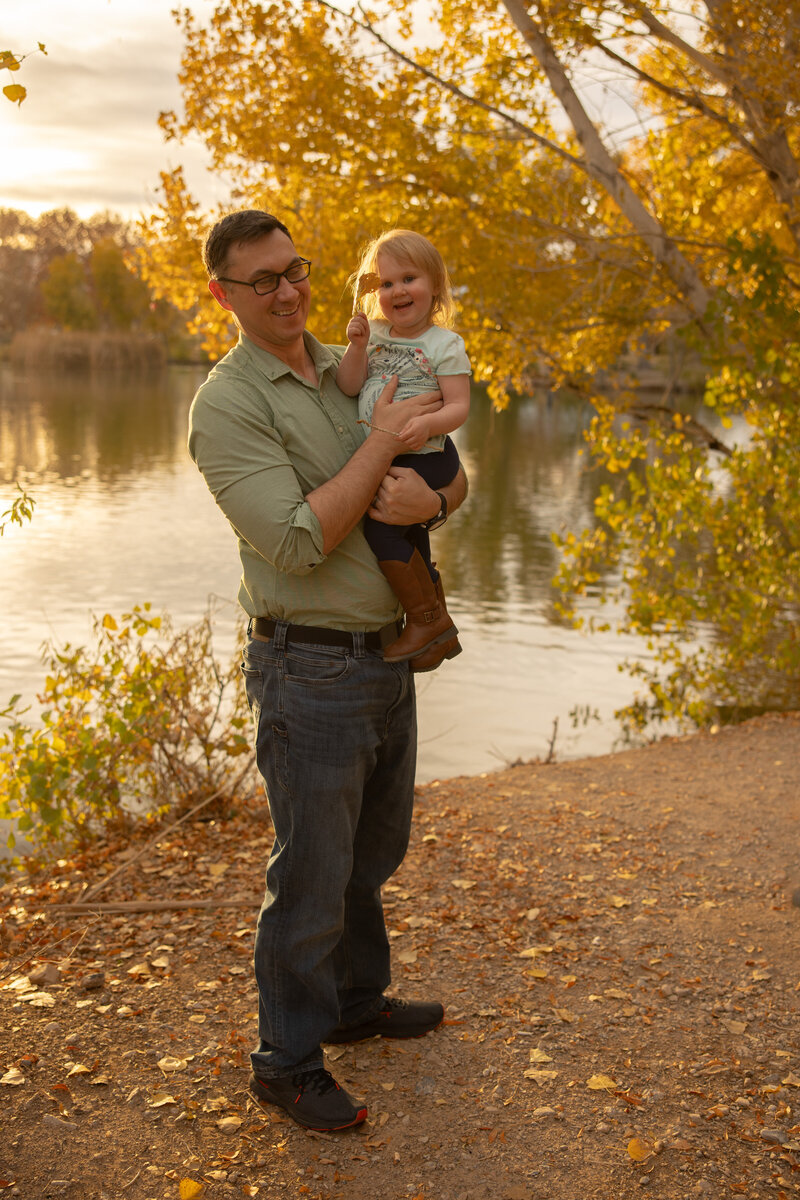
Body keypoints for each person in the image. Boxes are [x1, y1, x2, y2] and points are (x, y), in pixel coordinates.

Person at [188, 210, 468, 1132]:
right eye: (260, 280)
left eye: (293, 269)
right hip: (307, 666)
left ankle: (354, 1002)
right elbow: (297, 541)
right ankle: (286, 1059)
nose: (285, 291)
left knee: (371, 855)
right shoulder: (228, 405)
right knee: (309, 874)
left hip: (391, 651)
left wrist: (441, 493)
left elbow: (446, 462)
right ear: (224, 294)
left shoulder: (364, 357)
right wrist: (383, 446)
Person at [336, 230, 471, 667]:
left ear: (434, 286)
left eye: (409, 278)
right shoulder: (374, 335)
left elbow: (459, 407)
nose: (397, 291)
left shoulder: (443, 344)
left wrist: (425, 424)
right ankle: (435, 626)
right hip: (390, 451)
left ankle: (424, 618)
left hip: (426, 453)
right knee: (408, 529)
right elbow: (349, 385)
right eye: (387, 283)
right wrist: (356, 347)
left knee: (381, 525)